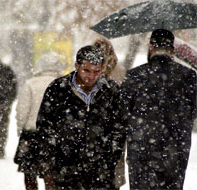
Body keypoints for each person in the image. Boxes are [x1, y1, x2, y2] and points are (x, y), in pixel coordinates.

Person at [36, 45, 126, 189]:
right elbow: (45, 127)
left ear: (102, 68)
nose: (91, 76)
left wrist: (110, 158)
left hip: (101, 173)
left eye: (96, 71)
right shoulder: (58, 89)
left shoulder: (111, 91)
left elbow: (120, 129)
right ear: (77, 66)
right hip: (65, 172)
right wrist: (51, 164)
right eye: (86, 70)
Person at [121, 29, 196, 190]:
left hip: (141, 150)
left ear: (151, 47)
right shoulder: (188, 76)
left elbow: (122, 112)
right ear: (172, 50)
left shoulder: (134, 76)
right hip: (175, 150)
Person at [14, 52, 65, 190]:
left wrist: (21, 128)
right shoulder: (63, 84)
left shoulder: (30, 83)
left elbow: (22, 110)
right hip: (54, 134)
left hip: (31, 133)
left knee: (29, 172)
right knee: (51, 173)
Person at [93, 38, 127, 189]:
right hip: (115, 129)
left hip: (94, 129)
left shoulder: (88, 72)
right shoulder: (122, 72)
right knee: (114, 172)